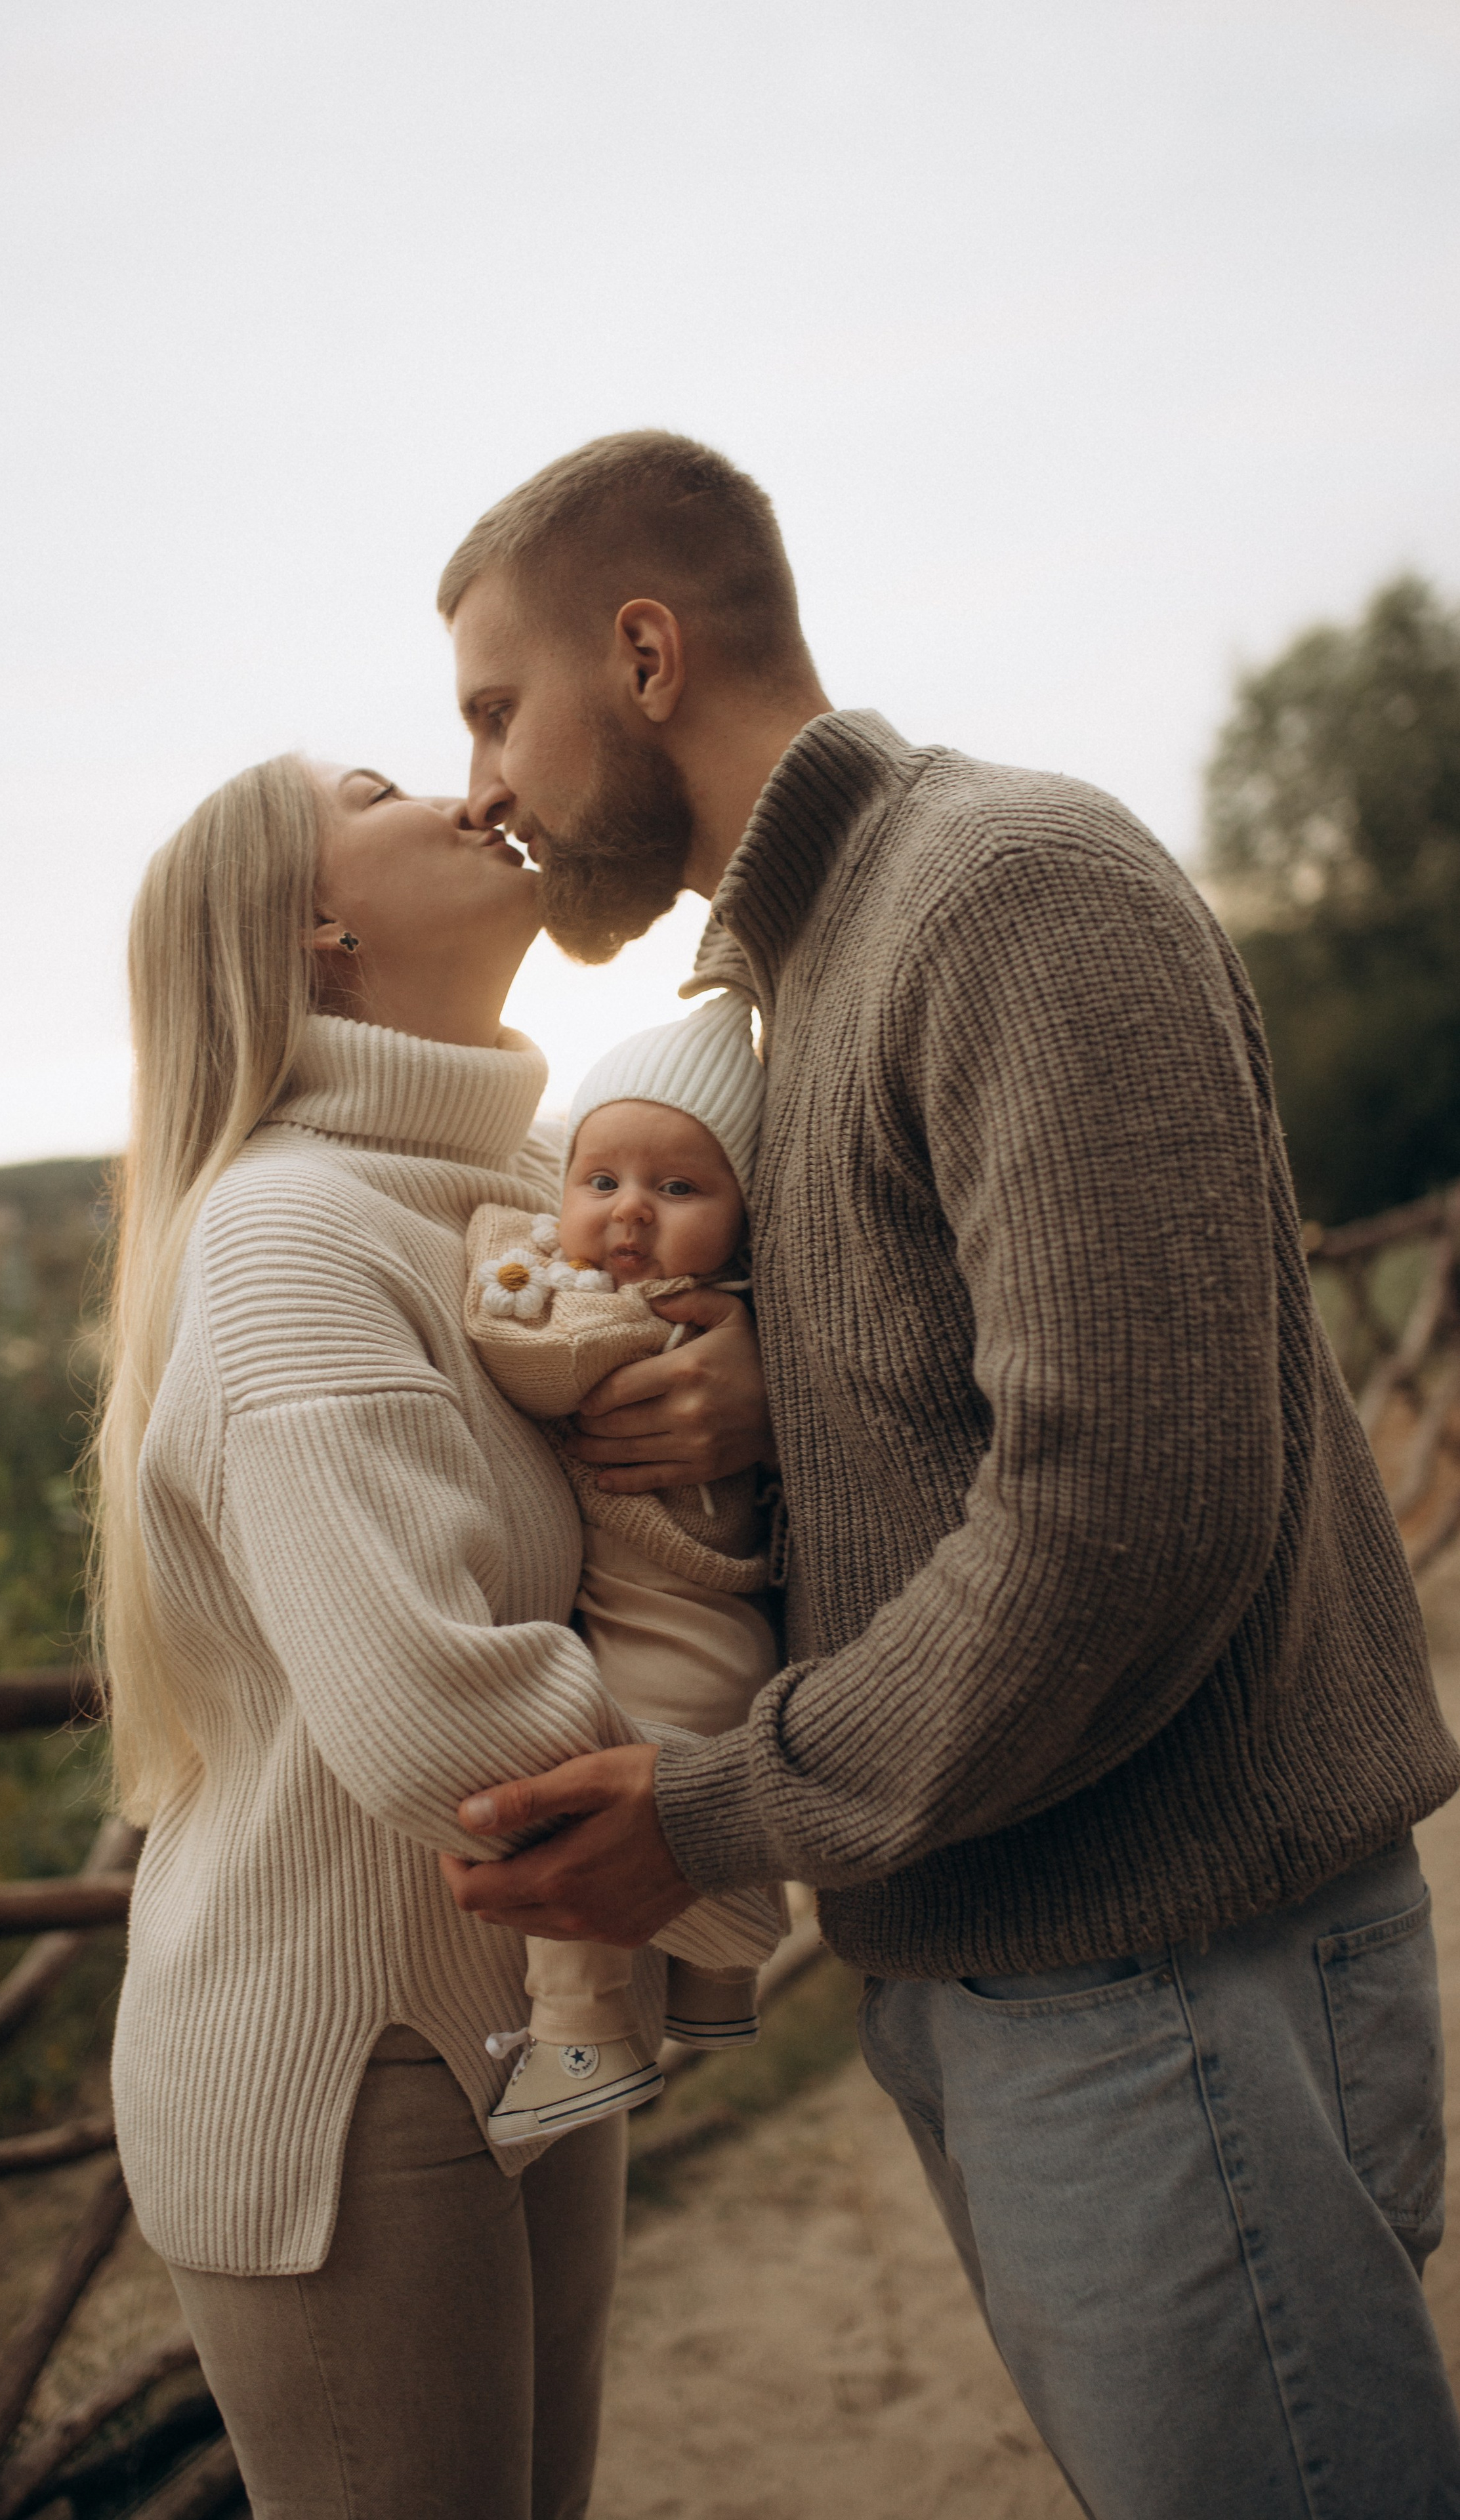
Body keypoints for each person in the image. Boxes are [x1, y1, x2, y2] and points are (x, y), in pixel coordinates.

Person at [433, 430, 1460, 2517]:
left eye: (492, 709)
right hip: (1028, 1958)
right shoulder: (798, 985)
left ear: (641, 653)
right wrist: (768, 1407)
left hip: (1166, 1971)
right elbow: (976, 1382)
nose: (478, 788)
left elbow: (1128, 1501)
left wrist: (713, 1810)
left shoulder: (1006, 892)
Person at [94, 751, 768, 2519]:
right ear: (317, 925)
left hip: (527, 2012)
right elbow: (429, 1721)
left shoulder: (539, 1187)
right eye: (387, 789)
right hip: (346, 2074)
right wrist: (759, 1804)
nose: (475, 797)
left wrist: (755, 1391)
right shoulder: (289, 1235)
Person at [466, 988, 786, 2142]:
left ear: (746, 1216)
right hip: (717, 1639)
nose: (630, 1214)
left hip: (671, 1640)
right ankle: (714, 1989)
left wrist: (510, 1265)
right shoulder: (754, 1326)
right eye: (600, 1183)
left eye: (679, 1188)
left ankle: (581, 2034)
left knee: (583, 1820)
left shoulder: (659, 1320)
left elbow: (537, 1362)